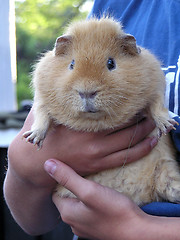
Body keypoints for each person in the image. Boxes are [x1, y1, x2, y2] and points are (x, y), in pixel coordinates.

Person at [3, 0, 180, 239]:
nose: (87, 88)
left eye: (110, 64)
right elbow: (34, 223)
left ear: (130, 50)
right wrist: (25, 168)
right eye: (72, 65)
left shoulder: (147, 68)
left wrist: (141, 230)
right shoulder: (115, 5)